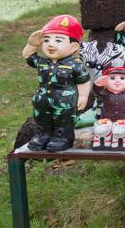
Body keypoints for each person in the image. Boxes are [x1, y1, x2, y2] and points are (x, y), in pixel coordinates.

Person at [22, 15, 91, 152]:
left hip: (65, 101)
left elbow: (84, 80)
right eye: (47, 40)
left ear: (73, 46)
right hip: (43, 99)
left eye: (58, 40)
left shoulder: (75, 65)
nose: (51, 44)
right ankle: (43, 134)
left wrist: (83, 96)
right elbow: (28, 56)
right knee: (42, 116)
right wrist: (31, 45)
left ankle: (62, 136)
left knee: (63, 119)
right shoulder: (42, 63)